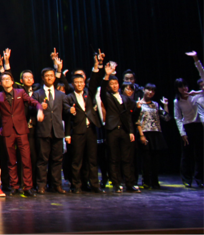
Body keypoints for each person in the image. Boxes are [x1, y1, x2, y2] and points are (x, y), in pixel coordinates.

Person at [93, 59, 139, 193]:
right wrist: (107, 75)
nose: (114, 86)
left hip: (124, 130)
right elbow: (102, 91)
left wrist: (131, 131)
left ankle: (130, 183)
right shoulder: (107, 96)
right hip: (112, 130)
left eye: (116, 83)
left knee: (127, 158)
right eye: (111, 84)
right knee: (113, 159)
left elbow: (128, 116)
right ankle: (116, 184)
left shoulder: (125, 98)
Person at [0, 69, 43, 197]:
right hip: (7, 130)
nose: (6, 81)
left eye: (8, 79)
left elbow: (34, 102)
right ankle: (14, 186)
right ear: (0, 83)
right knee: (11, 161)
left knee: (26, 159)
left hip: (21, 130)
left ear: (13, 81)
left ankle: (27, 186)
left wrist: (40, 110)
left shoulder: (20, 92)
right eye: (3, 79)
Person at [64, 72, 103, 193]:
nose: (79, 84)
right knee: (77, 160)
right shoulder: (69, 97)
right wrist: (68, 134)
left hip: (90, 130)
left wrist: (96, 69)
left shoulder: (88, 95)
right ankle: (76, 185)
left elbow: (94, 83)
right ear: (73, 84)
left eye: (81, 82)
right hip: (77, 131)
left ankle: (94, 185)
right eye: (77, 82)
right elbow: (67, 115)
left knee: (92, 159)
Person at [32, 61, 67, 193]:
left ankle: (56, 184)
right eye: (47, 76)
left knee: (57, 159)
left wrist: (71, 110)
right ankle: (41, 185)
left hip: (57, 130)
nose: (49, 78)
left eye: (51, 75)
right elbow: (31, 109)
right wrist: (39, 108)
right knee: (42, 159)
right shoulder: (37, 94)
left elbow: (65, 110)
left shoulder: (61, 94)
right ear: (43, 78)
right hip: (43, 130)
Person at [174, 51, 204, 188]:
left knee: (200, 154)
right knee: (187, 155)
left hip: (198, 126)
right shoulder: (177, 101)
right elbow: (178, 118)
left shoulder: (195, 96)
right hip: (187, 127)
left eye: (185, 85)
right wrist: (183, 133)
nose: (184, 88)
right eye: (180, 86)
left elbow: (202, 75)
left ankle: (200, 178)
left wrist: (196, 59)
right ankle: (187, 178)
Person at [136, 83, 170, 189]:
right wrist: (141, 135)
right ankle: (146, 181)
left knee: (155, 160)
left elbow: (166, 118)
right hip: (145, 132)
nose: (150, 92)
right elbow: (137, 121)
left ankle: (155, 181)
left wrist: (165, 105)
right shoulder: (139, 104)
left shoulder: (155, 104)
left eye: (153, 91)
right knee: (146, 159)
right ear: (144, 90)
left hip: (156, 133)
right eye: (148, 89)